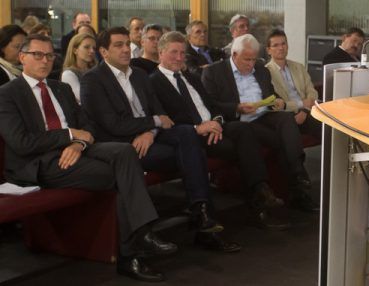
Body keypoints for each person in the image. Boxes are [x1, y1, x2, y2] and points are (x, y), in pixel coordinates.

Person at [0, 34, 176, 282]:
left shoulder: (60, 88)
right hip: (39, 161)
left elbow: (88, 127)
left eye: (50, 55)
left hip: (75, 150)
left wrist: (78, 144)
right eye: (37, 55)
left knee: (124, 152)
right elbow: (22, 142)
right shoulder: (7, 93)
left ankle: (141, 235)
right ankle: (133, 249)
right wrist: (69, 136)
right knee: (117, 174)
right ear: (22, 57)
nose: (45, 60)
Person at [80, 27, 241, 253]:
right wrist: (151, 124)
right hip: (122, 146)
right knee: (192, 151)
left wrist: (150, 131)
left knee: (186, 133)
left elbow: (162, 117)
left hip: (149, 138)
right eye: (119, 45)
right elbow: (113, 125)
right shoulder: (93, 80)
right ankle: (202, 222)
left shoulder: (138, 75)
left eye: (127, 43)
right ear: (103, 52)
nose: (126, 49)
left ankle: (200, 210)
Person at [150, 31, 289, 229]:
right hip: (193, 135)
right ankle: (258, 199)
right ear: (160, 52)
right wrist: (200, 127)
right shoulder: (153, 82)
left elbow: (213, 106)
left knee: (244, 129)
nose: (179, 58)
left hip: (216, 127)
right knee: (246, 145)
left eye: (182, 53)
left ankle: (261, 190)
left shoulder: (192, 77)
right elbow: (165, 120)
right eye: (174, 52)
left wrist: (216, 121)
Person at [202, 33, 318, 212]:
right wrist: (236, 107)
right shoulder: (214, 72)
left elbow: (270, 94)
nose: (250, 65)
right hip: (237, 120)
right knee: (281, 140)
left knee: (286, 119)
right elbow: (210, 103)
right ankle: (292, 188)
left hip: (263, 115)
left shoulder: (260, 68)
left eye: (253, 59)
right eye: (246, 60)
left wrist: (277, 101)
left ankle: (297, 175)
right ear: (234, 55)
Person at [264, 29, 321, 139]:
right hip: (288, 115)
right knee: (322, 126)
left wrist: (305, 110)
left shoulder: (298, 67)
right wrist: (301, 104)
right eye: (275, 45)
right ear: (268, 50)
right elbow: (278, 103)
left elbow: (312, 92)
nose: (281, 48)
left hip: (307, 111)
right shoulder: (266, 72)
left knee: (332, 122)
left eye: (283, 43)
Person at [61, 32, 97, 103]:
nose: (92, 51)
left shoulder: (96, 70)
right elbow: (84, 98)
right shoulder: (68, 74)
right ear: (75, 50)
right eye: (86, 47)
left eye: (94, 48)